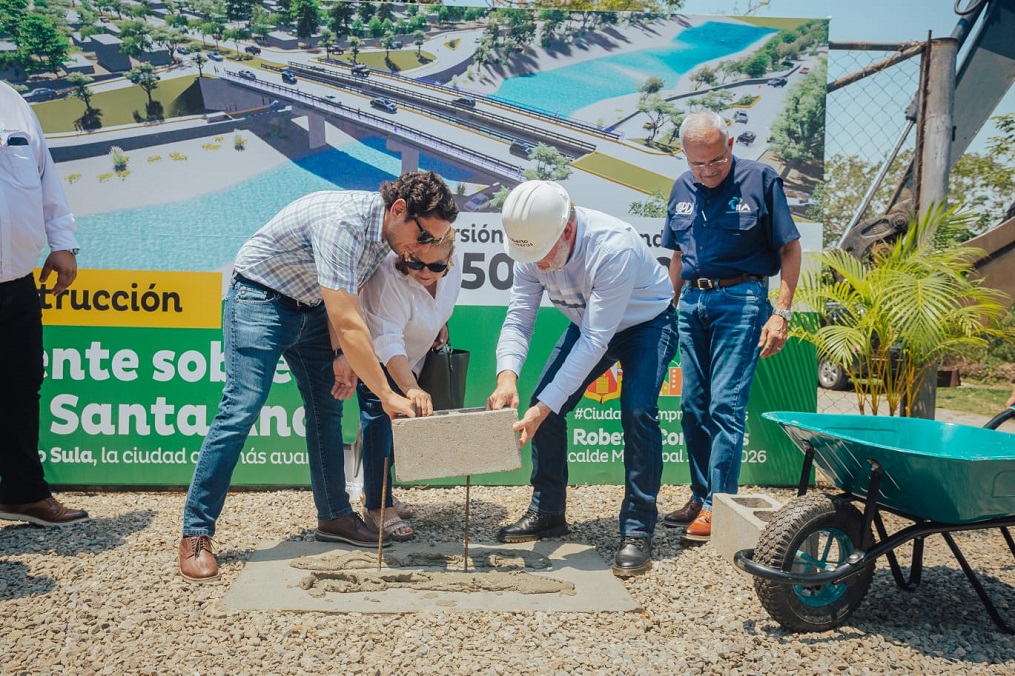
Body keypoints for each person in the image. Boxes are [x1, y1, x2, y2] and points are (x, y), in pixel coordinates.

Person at [178, 171, 458, 582]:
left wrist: (341, 354)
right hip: (260, 299)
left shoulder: (388, 234)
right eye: (424, 237)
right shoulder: (343, 224)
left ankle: (334, 517)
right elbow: (348, 319)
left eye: (435, 242)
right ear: (399, 210)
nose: (425, 250)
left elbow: (345, 298)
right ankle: (196, 533)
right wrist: (385, 392)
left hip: (310, 308)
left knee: (327, 407)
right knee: (242, 406)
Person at [487, 180, 678, 577]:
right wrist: (507, 377)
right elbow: (519, 318)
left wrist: (542, 406)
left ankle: (638, 529)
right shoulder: (530, 243)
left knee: (639, 411)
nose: (537, 264)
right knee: (547, 404)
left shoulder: (613, 246)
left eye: (542, 255)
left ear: (567, 230)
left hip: (647, 323)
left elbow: (595, 340)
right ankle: (548, 510)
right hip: (589, 321)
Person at [660, 110, 801, 542]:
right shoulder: (682, 187)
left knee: (726, 406)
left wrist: (781, 312)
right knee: (692, 407)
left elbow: (791, 251)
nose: (706, 172)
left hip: (740, 300)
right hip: (692, 301)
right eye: (697, 164)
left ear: (731, 145)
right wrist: (671, 305)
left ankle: (719, 505)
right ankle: (701, 494)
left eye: (715, 162)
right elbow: (678, 255)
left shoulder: (762, 180)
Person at [0, 82, 89, 527]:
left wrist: (63, 243)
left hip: (18, 280)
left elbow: (43, 174)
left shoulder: (11, 101)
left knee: (21, 388)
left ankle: (23, 494)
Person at [356, 238, 462, 541]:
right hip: (376, 356)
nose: (425, 272)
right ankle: (378, 506)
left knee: (394, 431)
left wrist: (439, 323)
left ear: (450, 259)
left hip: (411, 356)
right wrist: (410, 387)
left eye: (436, 266)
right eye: (415, 263)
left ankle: (380, 493)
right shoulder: (388, 278)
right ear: (405, 253)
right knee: (379, 419)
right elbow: (387, 340)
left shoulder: (452, 270)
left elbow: (440, 301)